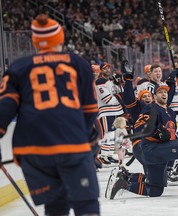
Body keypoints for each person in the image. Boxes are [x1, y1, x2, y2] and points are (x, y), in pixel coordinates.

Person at [0, 14, 100, 216]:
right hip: (71, 145)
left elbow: (4, 110)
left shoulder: (18, 68)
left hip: (33, 151)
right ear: (60, 38)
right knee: (86, 203)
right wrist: (85, 135)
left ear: (35, 41)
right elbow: (90, 110)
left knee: (55, 206)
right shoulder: (78, 64)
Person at [108, 84, 178, 199]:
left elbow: (172, 135)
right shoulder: (151, 108)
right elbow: (141, 125)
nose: (164, 94)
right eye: (160, 92)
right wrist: (156, 132)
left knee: (155, 190)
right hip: (151, 147)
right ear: (155, 96)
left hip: (160, 152)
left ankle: (124, 183)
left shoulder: (171, 112)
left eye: (165, 92)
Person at [96, 62, 124, 166]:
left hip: (116, 111)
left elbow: (121, 92)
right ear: (101, 71)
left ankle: (109, 155)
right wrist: (119, 97)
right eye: (104, 69)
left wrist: (119, 84)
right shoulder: (100, 82)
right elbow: (107, 99)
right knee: (108, 134)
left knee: (114, 134)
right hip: (106, 111)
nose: (107, 70)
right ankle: (103, 156)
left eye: (108, 68)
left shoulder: (111, 82)